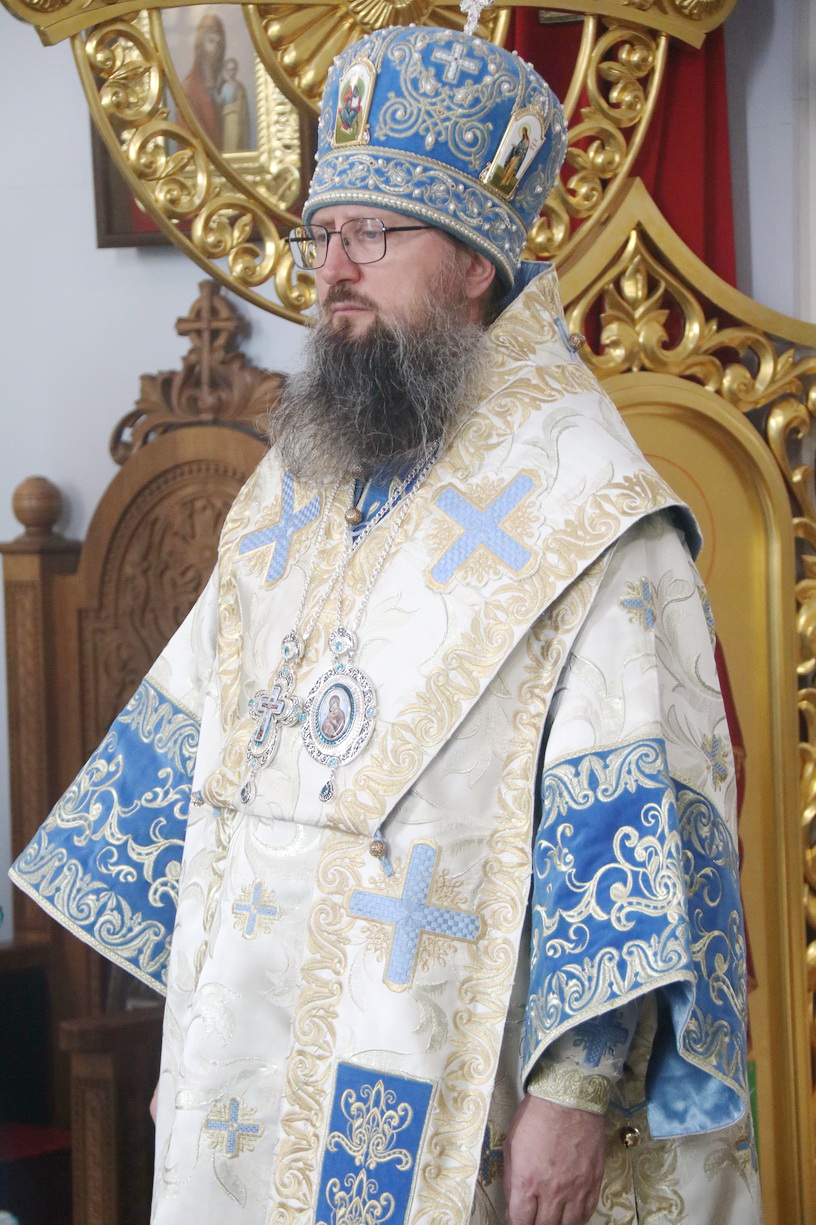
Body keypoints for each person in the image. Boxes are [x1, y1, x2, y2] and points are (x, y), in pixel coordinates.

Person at [11, 25, 761, 1225]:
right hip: (247, 1065)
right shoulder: (298, 480)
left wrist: (572, 1097)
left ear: (473, 264)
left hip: (445, 1067)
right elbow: (201, 760)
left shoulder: (591, 513)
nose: (333, 271)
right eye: (324, 234)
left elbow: (630, 829)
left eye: (374, 234)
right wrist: (190, 1031)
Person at [182, 12, 226, 149]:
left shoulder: (228, 86)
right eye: (211, 41)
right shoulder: (189, 90)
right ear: (201, 46)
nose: (216, 48)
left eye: (219, 43)